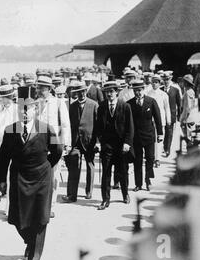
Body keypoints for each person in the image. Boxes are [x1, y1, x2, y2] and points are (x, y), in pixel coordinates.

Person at [0, 86, 63, 260]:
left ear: (36, 108)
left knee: (40, 219)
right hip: (19, 178)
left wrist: (46, 165)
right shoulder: (10, 131)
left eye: (29, 108)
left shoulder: (47, 129)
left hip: (42, 178)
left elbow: (58, 150)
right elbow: (3, 158)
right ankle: (29, 241)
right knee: (18, 220)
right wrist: (1, 179)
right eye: (21, 108)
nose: (25, 112)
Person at [36, 75, 71, 218]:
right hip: (38, 146)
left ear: (49, 89)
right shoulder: (35, 103)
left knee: (53, 177)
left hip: (54, 145)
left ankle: (50, 206)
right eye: (38, 87)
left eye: (42, 88)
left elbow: (65, 125)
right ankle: (39, 205)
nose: (39, 90)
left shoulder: (58, 103)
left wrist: (65, 144)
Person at [96, 81, 134, 210]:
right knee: (106, 173)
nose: (109, 94)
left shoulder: (125, 106)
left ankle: (125, 194)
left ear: (116, 92)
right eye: (107, 92)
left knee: (122, 172)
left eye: (112, 91)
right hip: (107, 146)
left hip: (121, 146)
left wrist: (127, 143)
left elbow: (130, 127)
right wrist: (99, 141)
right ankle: (105, 199)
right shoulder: (101, 107)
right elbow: (98, 126)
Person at [62, 82, 98, 202]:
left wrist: (97, 142)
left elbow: (98, 125)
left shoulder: (94, 105)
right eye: (78, 92)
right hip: (75, 142)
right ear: (75, 93)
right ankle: (72, 195)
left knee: (90, 165)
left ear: (86, 92)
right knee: (74, 167)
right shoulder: (72, 107)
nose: (81, 94)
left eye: (83, 91)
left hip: (89, 141)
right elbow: (68, 125)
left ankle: (89, 191)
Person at [128, 80, 163, 192]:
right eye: (135, 91)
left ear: (143, 90)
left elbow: (158, 119)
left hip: (149, 136)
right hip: (136, 137)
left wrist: (160, 133)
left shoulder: (151, 101)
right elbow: (128, 122)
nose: (137, 93)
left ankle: (148, 180)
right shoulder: (130, 104)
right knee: (137, 160)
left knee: (150, 158)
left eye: (139, 90)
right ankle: (138, 184)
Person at [0, 85, 17, 205]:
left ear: (12, 97)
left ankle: (10, 207)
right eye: (3, 97)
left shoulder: (18, 111)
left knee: (12, 177)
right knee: (0, 175)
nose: (5, 99)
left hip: (13, 149)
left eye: (8, 97)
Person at [147, 75, 170, 167]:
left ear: (159, 83)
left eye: (156, 82)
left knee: (159, 139)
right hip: (150, 120)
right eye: (153, 82)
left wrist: (168, 119)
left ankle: (158, 159)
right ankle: (151, 157)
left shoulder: (163, 94)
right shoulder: (148, 93)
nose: (154, 84)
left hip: (161, 120)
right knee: (151, 139)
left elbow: (167, 108)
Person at [162, 72, 182, 157]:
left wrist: (179, 116)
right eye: (164, 79)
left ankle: (167, 149)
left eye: (167, 79)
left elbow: (179, 104)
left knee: (169, 132)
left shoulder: (175, 90)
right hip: (162, 114)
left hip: (172, 114)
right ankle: (164, 146)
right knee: (163, 132)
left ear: (170, 79)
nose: (166, 81)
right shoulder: (160, 89)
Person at [180, 75, 198, 146]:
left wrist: (184, 118)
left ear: (186, 83)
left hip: (188, 118)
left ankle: (190, 150)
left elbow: (188, 107)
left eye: (184, 82)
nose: (182, 83)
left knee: (188, 136)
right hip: (189, 117)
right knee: (188, 136)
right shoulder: (190, 91)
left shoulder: (188, 92)